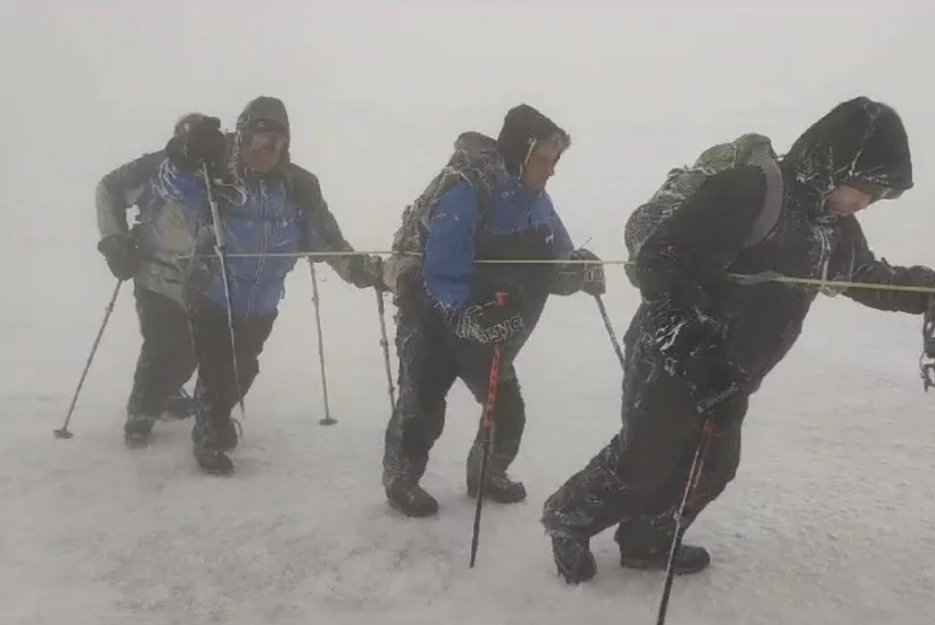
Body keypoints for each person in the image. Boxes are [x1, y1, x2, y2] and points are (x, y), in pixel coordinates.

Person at [540, 96, 935, 583]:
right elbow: (659, 263)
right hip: (672, 354)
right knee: (644, 461)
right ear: (832, 163)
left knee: (712, 465)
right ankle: (567, 519)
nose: (867, 202)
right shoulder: (751, 191)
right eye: (864, 187)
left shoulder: (833, 229)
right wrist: (696, 351)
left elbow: (864, 276)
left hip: (733, 371)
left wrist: (933, 294)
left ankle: (647, 538)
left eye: (878, 194)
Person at [118, 95, 383, 473]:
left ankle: (216, 415)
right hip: (210, 294)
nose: (263, 151)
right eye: (255, 141)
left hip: (261, 303)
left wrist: (361, 271)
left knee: (243, 370)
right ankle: (193, 432)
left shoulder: (298, 186)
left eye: (273, 143)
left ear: (286, 145)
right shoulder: (213, 178)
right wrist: (184, 153)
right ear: (239, 139)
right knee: (210, 368)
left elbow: (325, 240)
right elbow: (173, 185)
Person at [380, 104, 605, 518]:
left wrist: (581, 271)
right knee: (422, 405)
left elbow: (555, 267)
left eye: (555, 161)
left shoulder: (538, 203)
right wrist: (467, 317)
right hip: (432, 321)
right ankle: (401, 478)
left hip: (493, 328)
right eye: (543, 159)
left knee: (508, 412)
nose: (551, 170)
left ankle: (486, 473)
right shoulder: (466, 194)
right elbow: (441, 275)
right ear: (520, 153)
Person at [95, 112, 215, 446]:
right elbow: (108, 188)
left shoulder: (219, 171)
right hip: (153, 273)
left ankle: (169, 394)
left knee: (194, 348)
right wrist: (114, 239)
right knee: (161, 344)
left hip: (202, 279)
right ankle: (141, 413)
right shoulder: (153, 168)